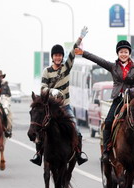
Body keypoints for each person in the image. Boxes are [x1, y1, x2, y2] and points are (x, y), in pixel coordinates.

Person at [75, 40, 134, 164]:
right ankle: (106, 151)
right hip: (118, 99)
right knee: (108, 122)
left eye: (126, 52)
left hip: (131, 100)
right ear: (118, 53)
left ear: (129, 53)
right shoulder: (113, 67)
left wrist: (130, 91)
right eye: (121, 52)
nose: (123, 54)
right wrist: (83, 53)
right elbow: (98, 60)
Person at [30, 26, 89, 166]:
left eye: (60, 55)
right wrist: (52, 92)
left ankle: (79, 154)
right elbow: (43, 88)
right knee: (41, 129)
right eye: (55, 55)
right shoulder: (46, 71)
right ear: (52, 57)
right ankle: (38, 155)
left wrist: (80, 38)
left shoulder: (66, 67)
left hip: (65, 106)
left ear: (62, 57)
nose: (58, 57)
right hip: (50, 107)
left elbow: (73, 54)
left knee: (77, 130)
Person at [0, 70, 12, 138]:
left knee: (8, 115)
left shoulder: (6, 85)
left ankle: (8, 129)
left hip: (5, 101)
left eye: (1, 77)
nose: (0, 78)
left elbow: (9, 94)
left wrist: (6, 97)